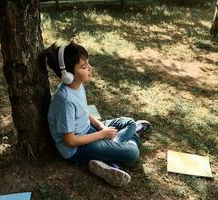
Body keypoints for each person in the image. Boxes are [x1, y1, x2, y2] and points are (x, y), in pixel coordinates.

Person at [44, 42, 150, 187]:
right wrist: (102, 135)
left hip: (89, 130)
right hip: (76, 149)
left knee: (130, 122)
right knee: (133, 153)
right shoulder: (65, 100)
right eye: (83, 67)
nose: (90, 68)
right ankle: (117, 149)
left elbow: (84, 112)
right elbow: (70, 141)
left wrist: (101, 127)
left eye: (88, 64)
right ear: (67, 75)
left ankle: (112, 152)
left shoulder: (77, 85)